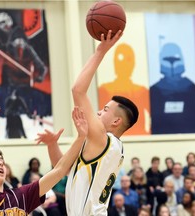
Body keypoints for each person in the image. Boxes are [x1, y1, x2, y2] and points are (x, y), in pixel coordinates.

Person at [38, 30, 138, 215]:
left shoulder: (103, 139)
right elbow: (63, 168)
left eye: (106, 109)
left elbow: (78, 90)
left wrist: (101, 51)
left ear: (117, 121)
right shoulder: (104, 145)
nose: (99, 111)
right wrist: (52, 144)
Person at [0, 106, 88, 215]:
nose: (0, 163)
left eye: (1, 160)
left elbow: (60, 170)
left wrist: (81, 137)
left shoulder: (21, 196)